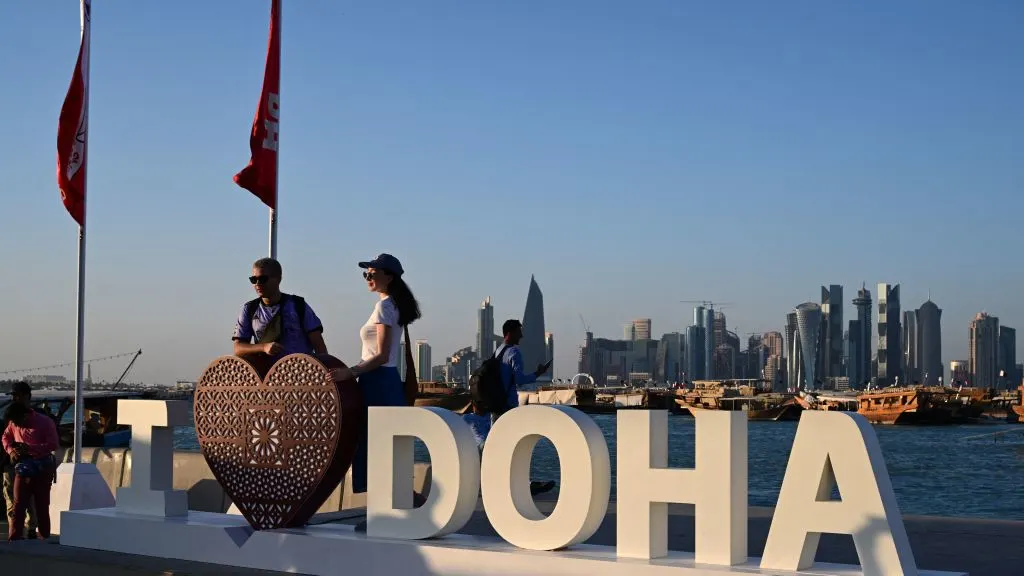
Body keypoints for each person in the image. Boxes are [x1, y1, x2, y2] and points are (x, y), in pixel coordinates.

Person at [329, 253, 426, 523]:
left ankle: (391, 511)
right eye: (366, 274)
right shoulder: (391, 305)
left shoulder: (385, 307)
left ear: (389, 276)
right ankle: (397, 508)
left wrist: (351, 372)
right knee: (384, 445)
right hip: (386, 381)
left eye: (373, 273)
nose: (368, 278)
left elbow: (382, 355)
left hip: (377, 381)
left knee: (375, 445)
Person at [492, 319, 555, 495]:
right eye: (519, 331)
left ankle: (502, 481)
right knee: (515, 446)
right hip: (507, 406)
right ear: (510, 333)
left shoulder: (497, 351)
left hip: (495, 404)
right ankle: (523, 484)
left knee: (502, 446)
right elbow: (519, 380)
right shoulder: (514, 352)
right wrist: (538, 373)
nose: (522, 335)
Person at [233, 257, 328, 360]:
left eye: (262, 279)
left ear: (278, 279)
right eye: (253, 279)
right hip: (268, 373)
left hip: (301, 372)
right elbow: (238, 348)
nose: (257, 284)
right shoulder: (249, 309)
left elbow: (319, 346)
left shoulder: (298, 305)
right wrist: (263, 347)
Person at [2, 400, 59, 541]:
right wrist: (11, 451)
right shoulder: (14, 423)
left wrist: (31, 448)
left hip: (42, 469)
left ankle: (44, 537)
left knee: (42, 505)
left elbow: (53, 444)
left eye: (18, 421)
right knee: (18, 505)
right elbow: (5, 437)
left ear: (25, 415)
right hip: (23, 467)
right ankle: (15, 537)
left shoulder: (45, 422)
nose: (17, 425)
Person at [1, 382, 40, 539]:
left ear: (26, 396)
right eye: (14, 396)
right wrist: (11, 451)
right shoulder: (9, 415)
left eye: (18, 395)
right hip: (11, 465)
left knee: (30, 499)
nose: (15, 398)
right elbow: (5, 438)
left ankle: (31, 529)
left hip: (30, 464)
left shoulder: (37, 416)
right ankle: (15, 531)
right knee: (12, 500)